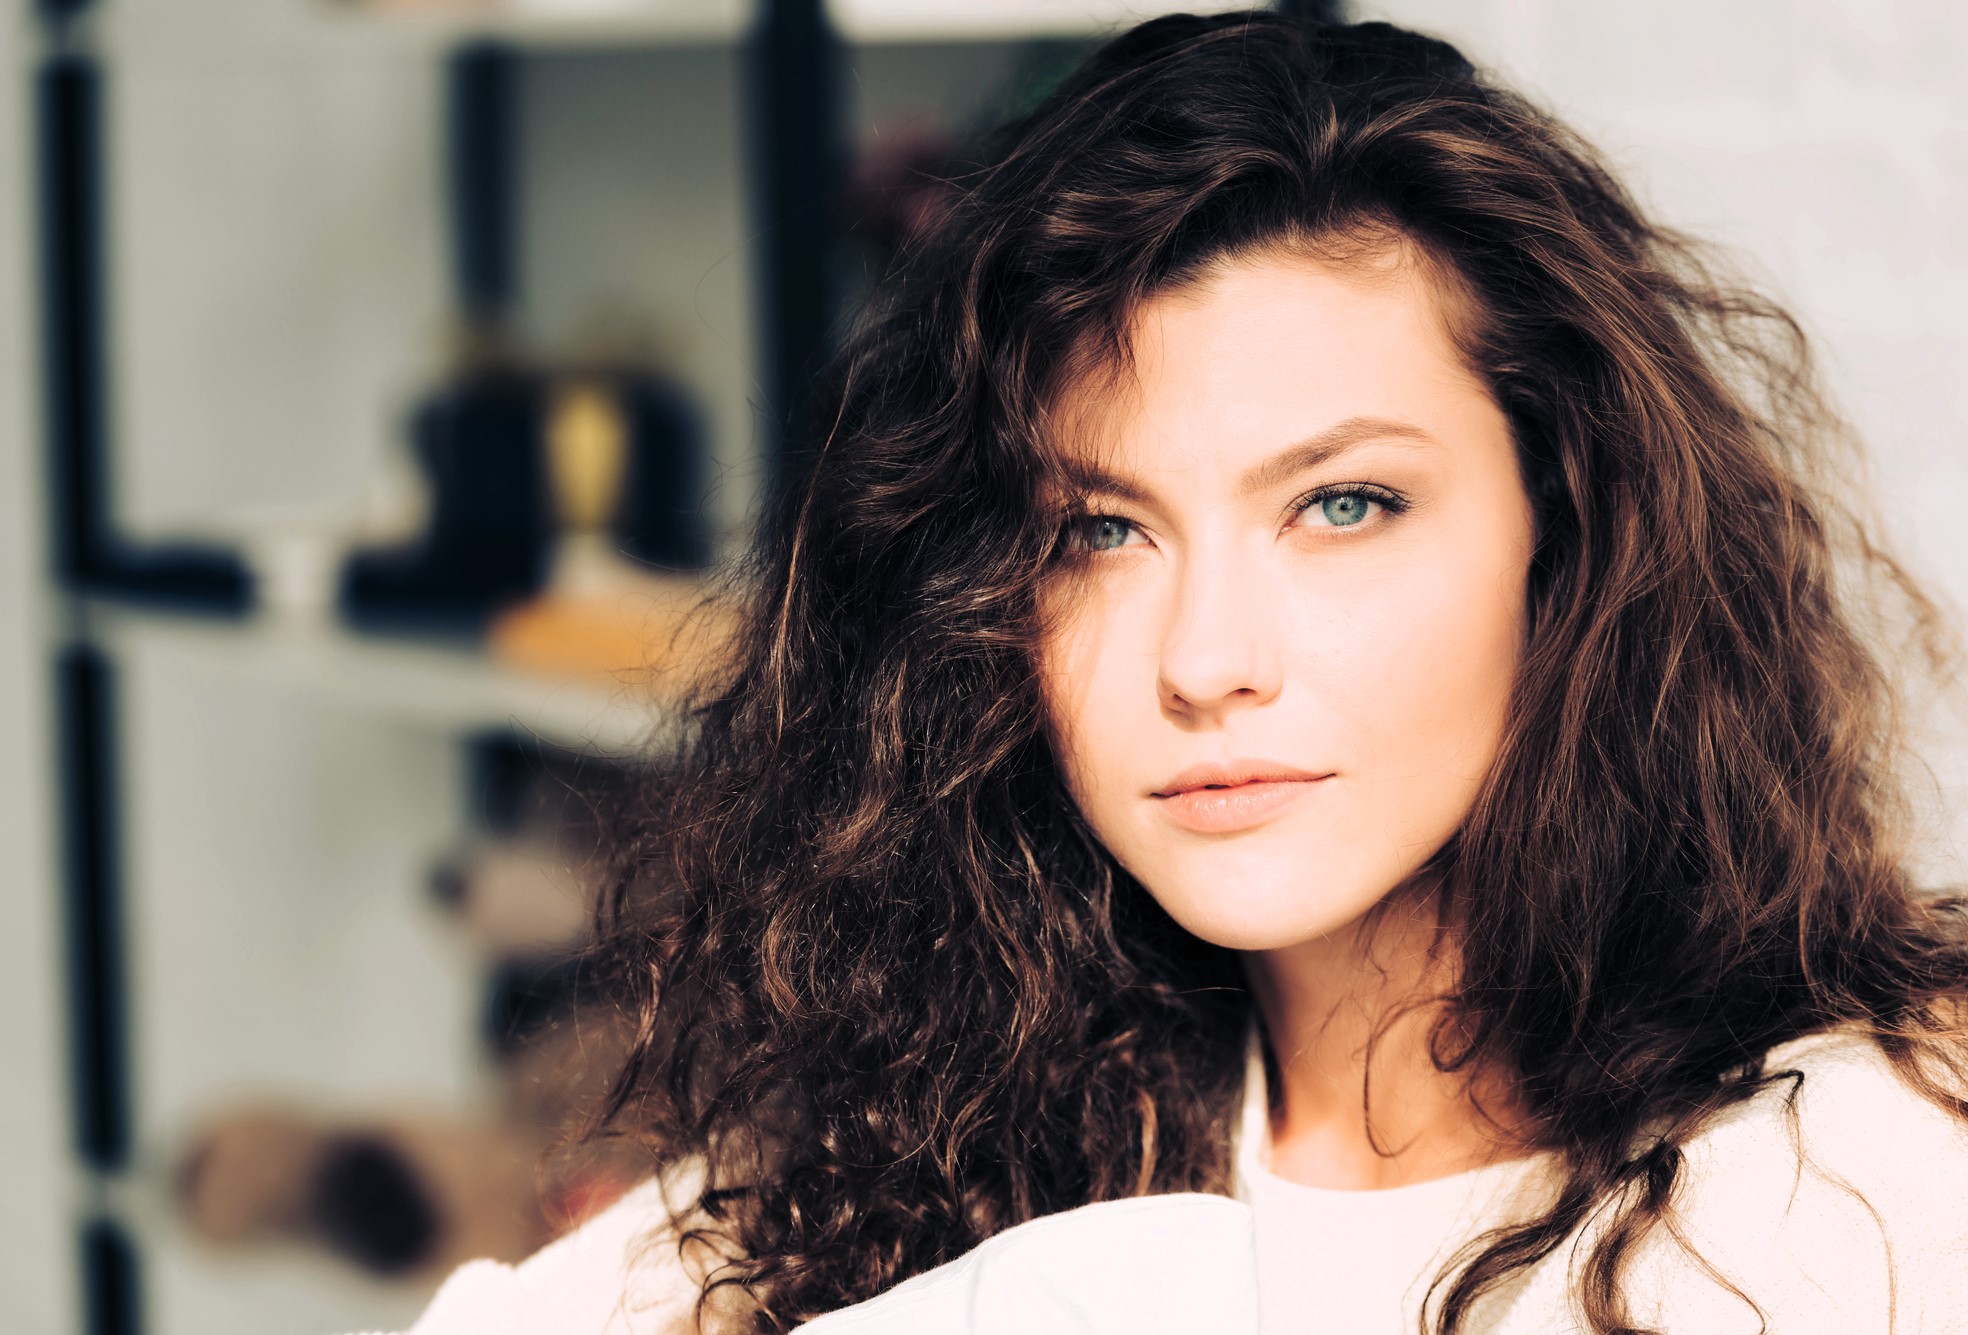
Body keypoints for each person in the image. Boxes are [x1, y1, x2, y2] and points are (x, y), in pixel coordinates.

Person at [370, 10, 1968, 1334]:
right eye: (1096, 534)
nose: (1205, 661)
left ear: (1571, 535)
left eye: (1342, 505)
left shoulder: (1853, 1178)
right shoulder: (952, 1143)